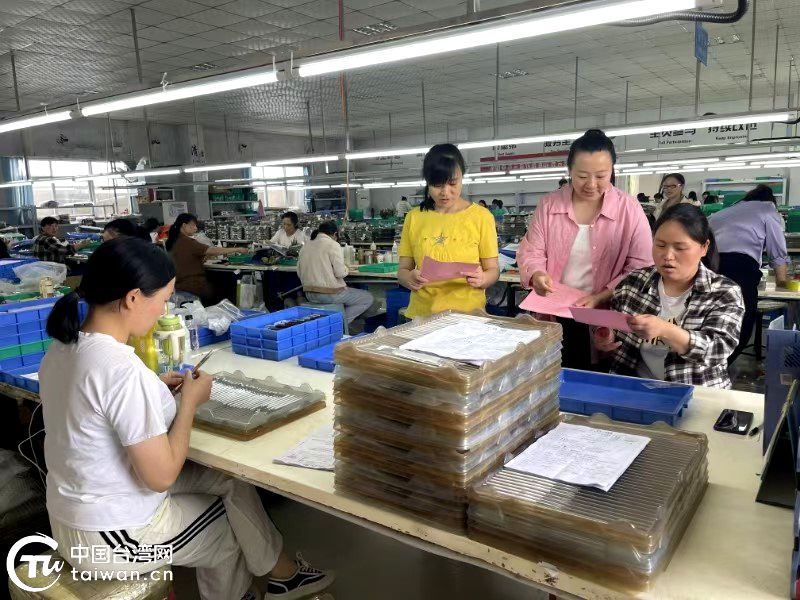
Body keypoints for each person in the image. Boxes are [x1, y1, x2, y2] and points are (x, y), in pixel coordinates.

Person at [41, 237, 334, 600]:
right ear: (133, 298)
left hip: (72, 514)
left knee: (227, 480)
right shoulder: (120, 370)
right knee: (224, 530)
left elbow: (96, 412)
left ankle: (284, 574)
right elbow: (162, 476)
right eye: (164, 300)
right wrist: (189, 404)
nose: (164, 311)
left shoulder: (63, 349)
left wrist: (153, 388)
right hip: (112, 537)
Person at [516, 129, 653, 370]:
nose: (591, 185)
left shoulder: (629, 209)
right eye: (581, 176)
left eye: (601, 176)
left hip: (606, 313)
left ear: (612, 171)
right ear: (569, 171)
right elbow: (532, 251)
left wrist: (602, 296)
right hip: (556, 311)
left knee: (600, 375)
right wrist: (537, 274)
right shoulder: (549, 205)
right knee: (556, 371)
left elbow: (641, 266)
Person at [594, 204, 744, 388]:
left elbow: (718, 349)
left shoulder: (724, 292)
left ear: (704, 247)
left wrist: (666, 330)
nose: (668, 256)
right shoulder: (634, 282)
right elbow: (616, 330)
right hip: (635, 390)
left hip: (696, 393)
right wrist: (607, 337)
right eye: (660, 245)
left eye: (680, 248)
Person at [397, 143, 499, 317]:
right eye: (437, 185)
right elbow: (403, 271)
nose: (445, 192)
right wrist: (409, 279)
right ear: (427, 182)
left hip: (468, 315)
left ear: (462, 177)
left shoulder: (481, 217)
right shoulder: (414, 217)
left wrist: (483, 279)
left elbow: (493, 271)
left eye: (452, 183)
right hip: (422, 315)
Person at [709, 184, 790, 363]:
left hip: (709, 266)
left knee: (711, 318)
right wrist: (782, 282)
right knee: (742, 324)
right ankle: (718, 367)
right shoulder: (768, 210)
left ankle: (707, 362)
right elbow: (777, 252)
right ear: (772, 201)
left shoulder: (722, 213)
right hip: (740, 267)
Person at [298, 220, 375, 325]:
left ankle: (339, 323)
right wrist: (346, 268)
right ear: (335, 234)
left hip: (309, 294)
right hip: (329, 294)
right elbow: (340, 273)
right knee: (367, 298)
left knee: (350, 295)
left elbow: (299, 272)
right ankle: (340, 325)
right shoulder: (332, 244)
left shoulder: (305, 246)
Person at [166, 213, 242, 305]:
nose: (195, 228)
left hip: (179, 286)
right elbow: (212, 250)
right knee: (223, 288)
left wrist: (203, 257)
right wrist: (237, 249)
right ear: (184, 225)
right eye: (193, 225)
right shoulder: (188, 242)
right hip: (191, 287)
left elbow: (186, 260)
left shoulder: (174, 241)